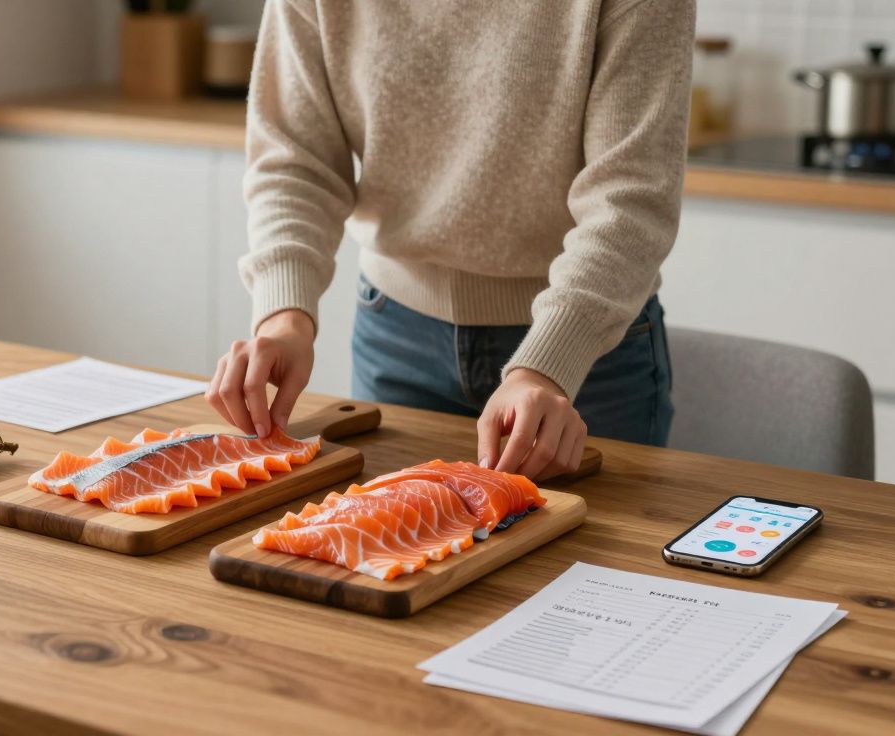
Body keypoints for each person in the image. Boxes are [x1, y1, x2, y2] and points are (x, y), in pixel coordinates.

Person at [206, 0, 693, 480]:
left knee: (594, 557)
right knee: (386, 549)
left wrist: (549, 363)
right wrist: (284, 317)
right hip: (395, 339)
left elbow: (629, 200)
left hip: (585, 359)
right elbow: (294, 164)